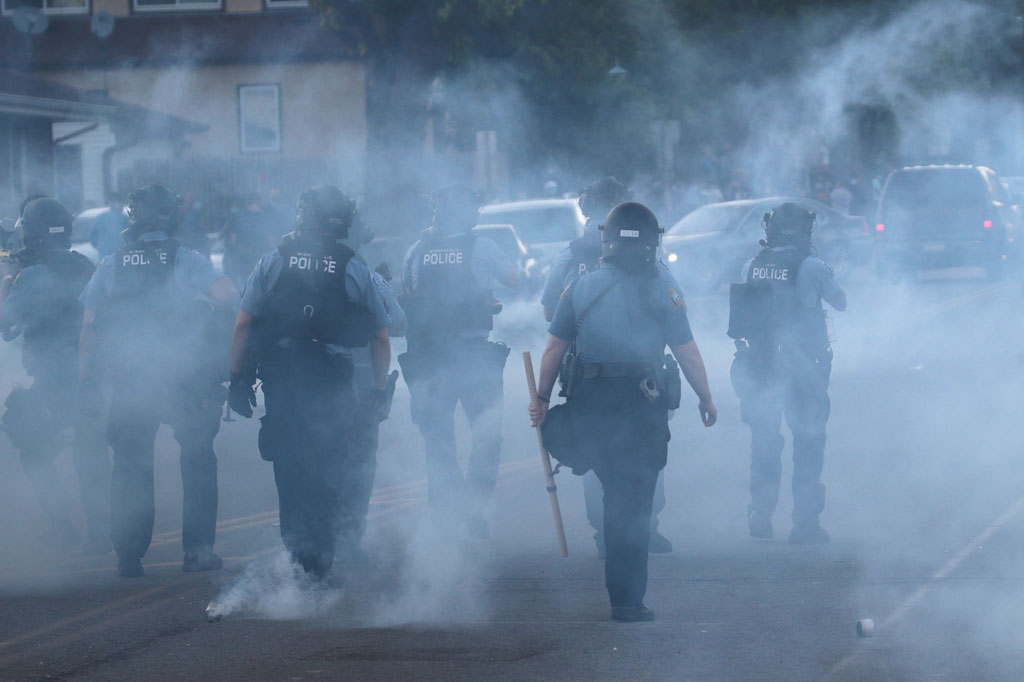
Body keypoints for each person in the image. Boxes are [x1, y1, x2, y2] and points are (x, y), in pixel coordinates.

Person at [529, 202, 717, 622]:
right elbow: (687, 353)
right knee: (635, 504)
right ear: (652, 243)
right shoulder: (663, 290)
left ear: (606, 241)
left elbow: (554, 350)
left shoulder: (580, 288)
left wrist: (541, 400)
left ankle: (621, 594)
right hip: (642, 405)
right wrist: (706, 397)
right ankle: (628, 601)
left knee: (613, 495)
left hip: (592, 406)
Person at [228, 185, 391, 579]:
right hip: (331, 380)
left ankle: (301, 555)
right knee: (330, 463)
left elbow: (244, 322)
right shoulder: (354, 265)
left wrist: (235, 378)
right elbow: (381, 337)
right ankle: (323, 552)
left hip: (281, 379)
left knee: (289, 464)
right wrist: (379, 390)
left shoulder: (274, 260)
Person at [79, 184, 237, 578]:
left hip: (132, 380)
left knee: (130, 466)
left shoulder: (112, 263)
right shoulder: (187, 258)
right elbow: (227, 293)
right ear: (173, 219)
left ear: (133, 220)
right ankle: (198, 555)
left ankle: (128, 558)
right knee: (198, 459)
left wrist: (85, 383)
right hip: (185, 377)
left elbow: (88, 328)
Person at [539, 177, 673, 557]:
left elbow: (551, 310)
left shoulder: (569, 256)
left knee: (597, 450)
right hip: (637, 369)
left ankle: (607, 531)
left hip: (586, 368)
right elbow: (668, 300)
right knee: (646, 449)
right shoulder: (645, 253)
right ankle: (639, 528)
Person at [399, 186, 518, 539]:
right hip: (473, 358)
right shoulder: (480, 246)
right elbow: (512, 278)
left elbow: (408, 298)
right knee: (486, 435)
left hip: (430, 358)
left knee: (437, 437)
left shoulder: (415, 251)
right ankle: (471, 507)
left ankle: (446, 508)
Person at [728, 202, 846, 544]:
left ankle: (760, 517)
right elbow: (841, 302)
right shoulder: (812, 266)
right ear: (806, 231)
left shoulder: (753, 265)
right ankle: (805, 524)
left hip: (760, 366)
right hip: (802, 369)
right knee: (808, 444)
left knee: (764, 442)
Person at [0, 197, 110, 553]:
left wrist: (6, 283)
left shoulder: (30, 275)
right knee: (91, 455)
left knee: (30, 444)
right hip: (93, 377)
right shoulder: (87, 266)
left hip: (54, 381)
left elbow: (6, 325)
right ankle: (101, 535)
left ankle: (62, 526)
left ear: (31, 234)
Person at [335, 210, 405, 567]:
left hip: (302, 380)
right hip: (357, 377)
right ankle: (347, 542)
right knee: (359, 460)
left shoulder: (287, 263)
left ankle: (311, 543)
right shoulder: (360, 271)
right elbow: (394, 321)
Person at [89, 193, 129, 259]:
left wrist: (101, 247)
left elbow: (93, 237)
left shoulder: (100, 218)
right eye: (119, 203)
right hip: (122, 255)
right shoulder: (125, 219)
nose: (120, 205)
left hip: (105, 255)